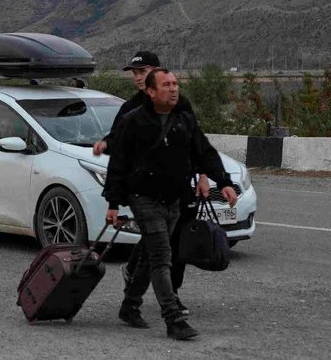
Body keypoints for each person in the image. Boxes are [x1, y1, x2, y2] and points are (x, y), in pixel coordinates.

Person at [103, 69, 238, 341]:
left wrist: (223, 182)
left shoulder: (184, 121)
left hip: (174, 200)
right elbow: (118, 164)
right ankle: (173, 319)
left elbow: (205, 152)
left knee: (147, 256)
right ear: (151, 92)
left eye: (175, 84)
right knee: (162, 256)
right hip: (143, 198)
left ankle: (129, 307)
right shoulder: (133, 122)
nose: (174, 89)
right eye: (166, 85)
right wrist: (114, 203)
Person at [95, 50, 208, 314]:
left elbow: (196, 142)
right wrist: (105, 146)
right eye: (134, 73)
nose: (137, 77)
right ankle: (170, 305)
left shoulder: (179, 103)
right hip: (144, 190)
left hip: (179, 187)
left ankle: (135, 279)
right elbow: (118, 145)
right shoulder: (129, 109)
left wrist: (203, 175)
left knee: (170, 241)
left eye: (143, 71)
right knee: (160, 246)